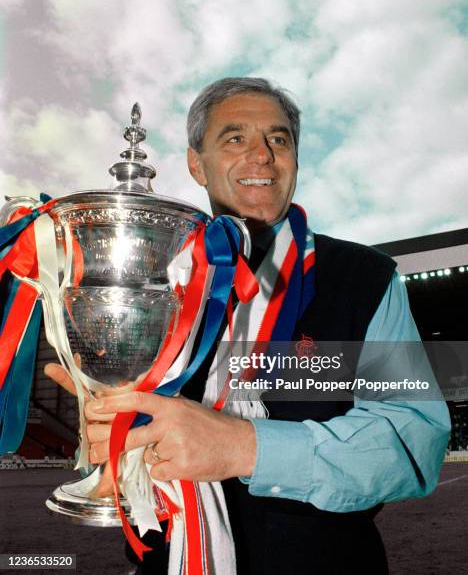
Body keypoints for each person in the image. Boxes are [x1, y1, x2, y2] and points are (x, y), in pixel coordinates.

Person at [46, 77, 450, 574]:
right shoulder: (154, 282)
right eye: (235, 138)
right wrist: (116, 434)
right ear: (197, 164)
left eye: (278, 140)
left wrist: (243, 448)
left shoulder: (364, 278)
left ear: (295, 160)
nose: (261, 155)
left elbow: (414, 438)